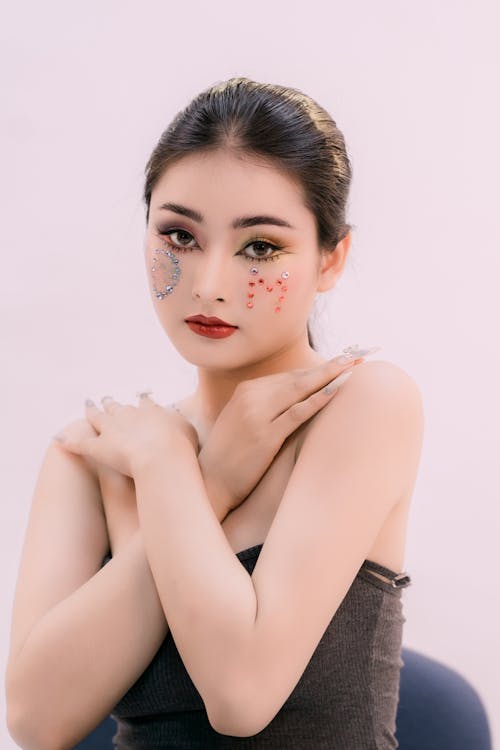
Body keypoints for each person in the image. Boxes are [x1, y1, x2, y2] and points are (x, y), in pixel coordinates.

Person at [6, 77, 424, 749]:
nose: (208, 285)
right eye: (179, 235)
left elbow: (241, 694)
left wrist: (173, 469)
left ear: (331, 258)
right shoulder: (99, 452)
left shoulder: (364, 404)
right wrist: (215, 480)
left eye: (260, 247)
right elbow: (36, 720)